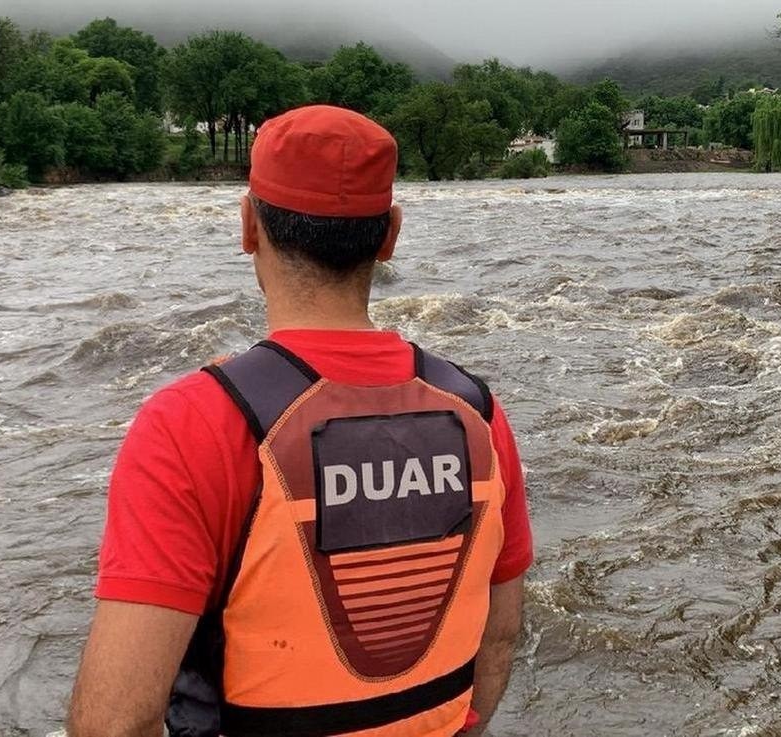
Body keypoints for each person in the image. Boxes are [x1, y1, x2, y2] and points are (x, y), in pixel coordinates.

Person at [68, 105, 533, 737]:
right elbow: (499, 639)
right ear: (390, 235)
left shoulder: (192, 424)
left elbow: (116, 724)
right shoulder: (478, 411)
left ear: (248, 225)